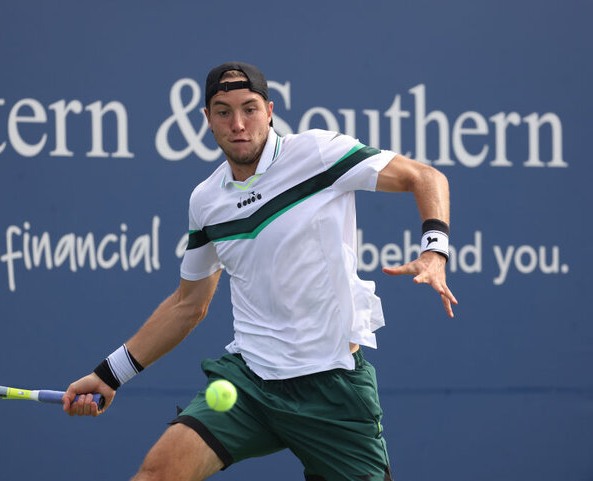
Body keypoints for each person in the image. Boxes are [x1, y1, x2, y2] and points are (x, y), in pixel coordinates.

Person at [63, 61, 457, 481]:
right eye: (223, 111)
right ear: (207, 121)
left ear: (269, 111)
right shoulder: (206, 201)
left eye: (249, 109)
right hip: (248, 384)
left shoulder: (318, 153)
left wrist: (435, 252)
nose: (238, 124)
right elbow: (188, 305)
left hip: (334, 389)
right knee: (157, 474)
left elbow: (424, 176)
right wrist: (109, 375)